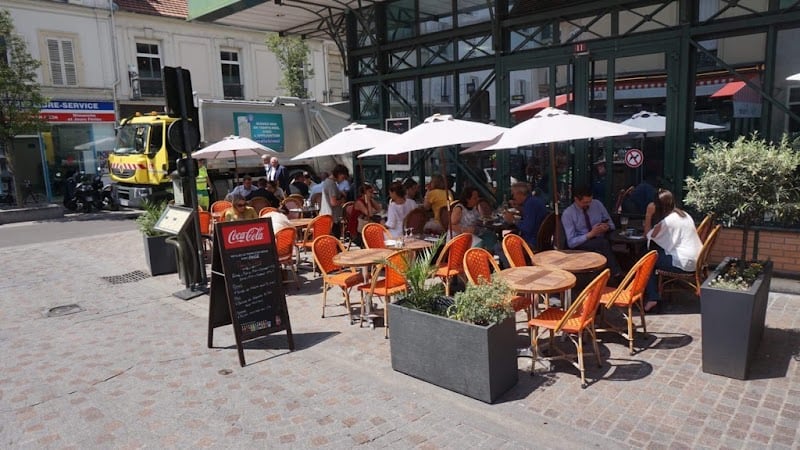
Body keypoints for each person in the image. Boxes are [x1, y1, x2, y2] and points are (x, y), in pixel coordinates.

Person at [643, 189, 703, 312]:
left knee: (647, 261)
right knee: (652, 255)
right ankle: (652, 290)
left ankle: (652, 297)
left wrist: (648, 215)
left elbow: (648, 235)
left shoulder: (667, 222)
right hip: (696, 258)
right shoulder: (683, 214)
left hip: (684, 263)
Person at [561, 185, 623, 277]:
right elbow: (571, 242)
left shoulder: (597, 204)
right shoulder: (568, 214)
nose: (588, 204)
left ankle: (610, 274)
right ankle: (616, 273)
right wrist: (590, 234)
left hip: (599, 236)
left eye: (590, 201)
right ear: (576, 200)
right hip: (581, 241)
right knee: (603, 243)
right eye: (585, 202)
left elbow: (611, 224)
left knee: (608, 241)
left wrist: (606, 226)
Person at [503, 181, 547, 251]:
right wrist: (519, 210)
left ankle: (516, 262)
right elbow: (532, 217)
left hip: (532, 242)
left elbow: (527, 228)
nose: (514, 197)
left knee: (499, 247)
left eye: (514, 194)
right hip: (542, 239)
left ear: (520, 194)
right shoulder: (534, 200)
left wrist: (513, 220)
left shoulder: (530, 204)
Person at [320, 164, 349, 235]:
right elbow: (333, 202)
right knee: (335, 237)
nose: (343, 180)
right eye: (343, 177)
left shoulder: (328, 182)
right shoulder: (331, 184)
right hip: (332, 217)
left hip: (329, 215)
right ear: (338, 174)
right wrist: (342, 201)